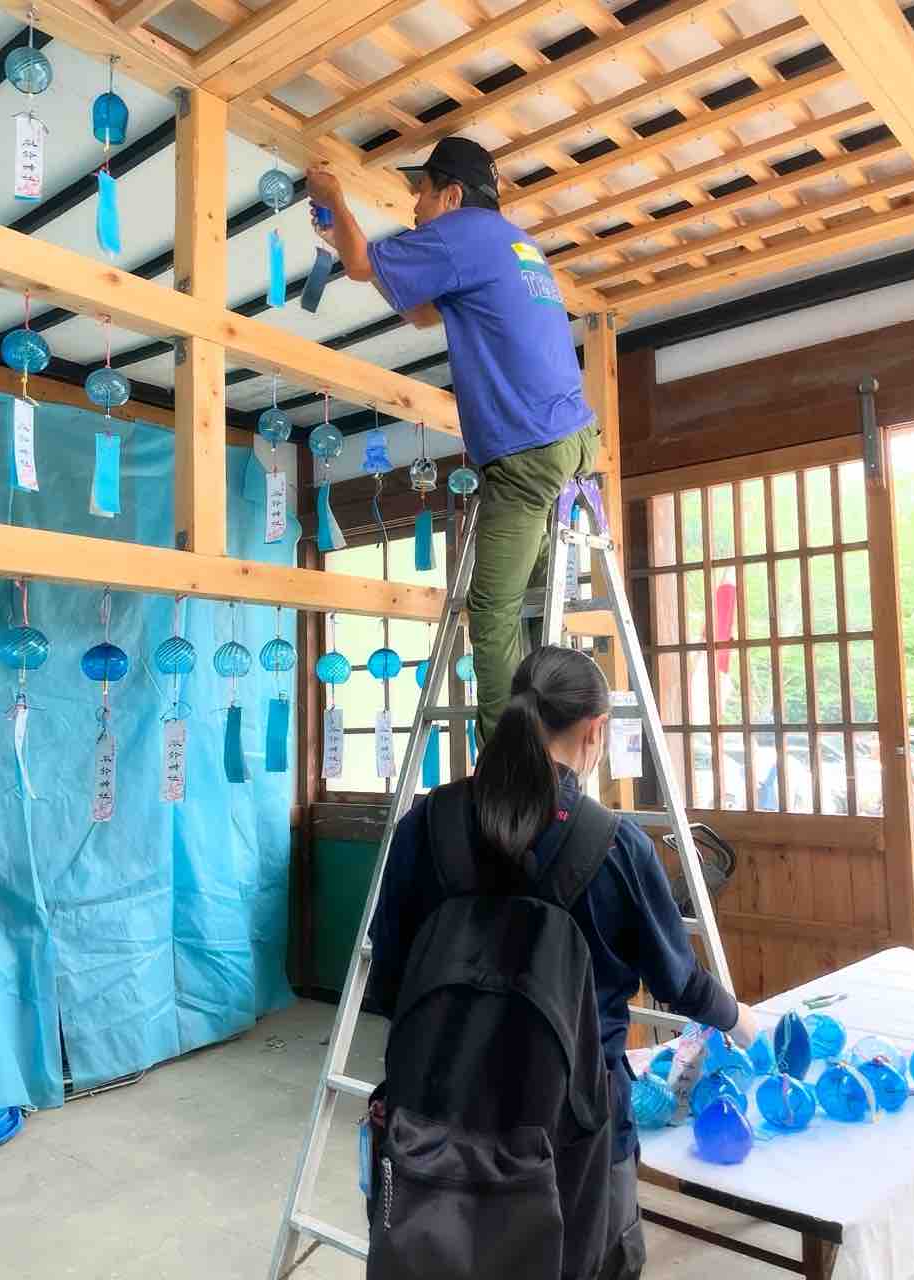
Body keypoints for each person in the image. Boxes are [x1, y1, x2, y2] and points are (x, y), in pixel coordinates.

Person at [368, 646, 757, 1278]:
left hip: (432, 1130)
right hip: (577, 1141)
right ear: (596, 731)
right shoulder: (614, 845)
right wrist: (740, 1018)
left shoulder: (425, 824)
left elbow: (389, 983)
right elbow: (679, 982)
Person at [305, 138, 599, 742]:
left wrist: (333, 196)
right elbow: (419, 313)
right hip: (570, 441)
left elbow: (361, 265)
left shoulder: (459, 233)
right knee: (538, 602)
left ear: (453, 195)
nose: (415, 209)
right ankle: (556, 737)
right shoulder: (515, 246)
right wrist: (349, 245)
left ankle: (510, 766)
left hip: (526, 451)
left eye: (421, 193)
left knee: (491, 611)